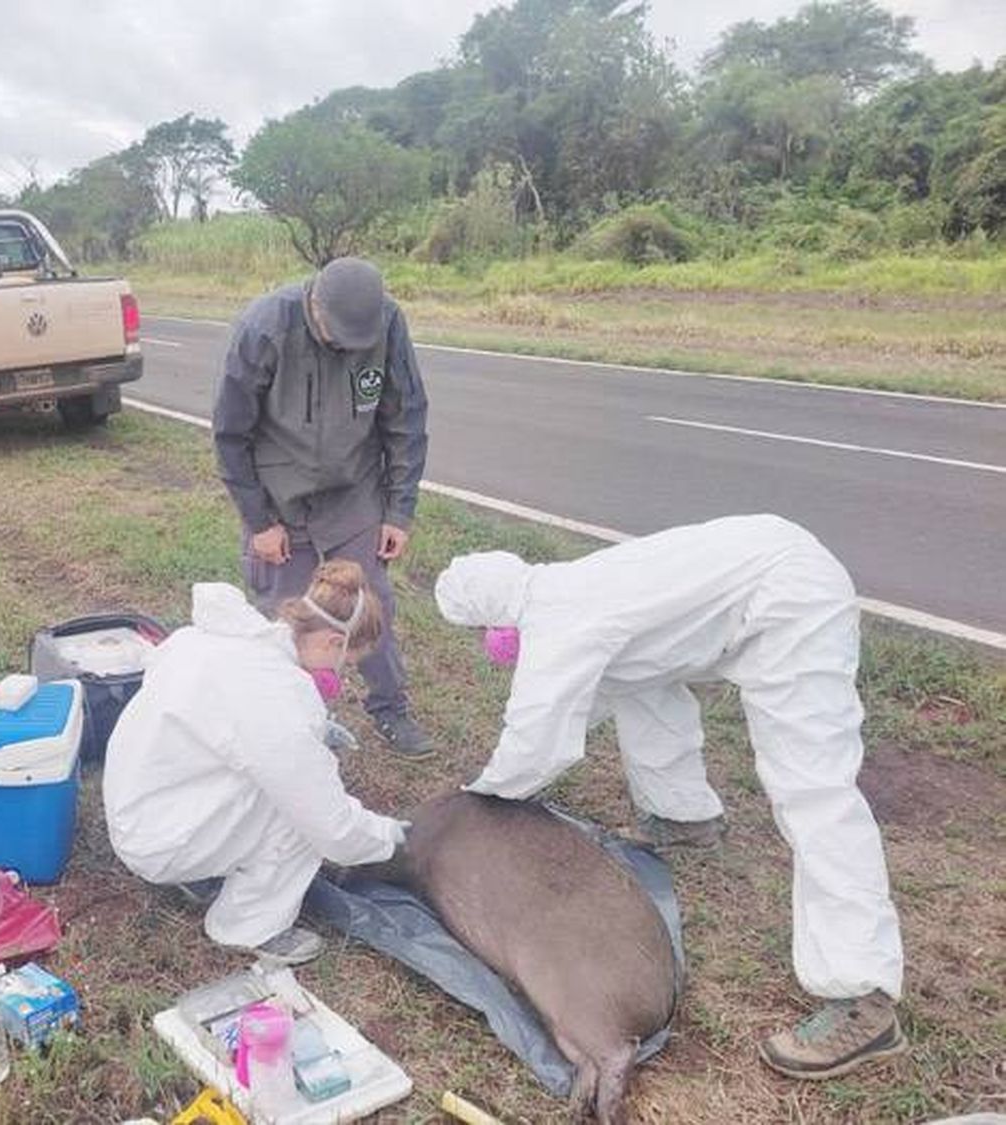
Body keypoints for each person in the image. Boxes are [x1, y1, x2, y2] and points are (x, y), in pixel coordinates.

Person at [433, 514, 906, 1081]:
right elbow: (593, 700)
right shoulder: (570, 591)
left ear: (495, 622)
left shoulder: (562, 619)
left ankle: (865, 995)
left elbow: (538, 743)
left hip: (787, 597)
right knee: (645, 684)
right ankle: (685, 818)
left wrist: (473, 800)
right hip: (755, 573)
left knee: (813, 786)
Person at [103, 560, 407, 965]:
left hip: (138, 805)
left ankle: (203, 867)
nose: (341, 675)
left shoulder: (210, 640)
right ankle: (247, 927)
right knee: (301, 819)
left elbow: (220, 721)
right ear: (334, 642)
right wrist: (391, 836)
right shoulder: (278, 694)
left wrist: (311, 736)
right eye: (347, 663)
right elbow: (332, 828)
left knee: (280, 785)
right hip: (161, 839)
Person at [213, 257, 431, 758]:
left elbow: (406, 417)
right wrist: (259, 522)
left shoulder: (387, 322)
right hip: (280, 499)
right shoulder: (264, 327)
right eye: (338, 337)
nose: (347, 349)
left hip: (354, 492)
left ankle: (390, 708)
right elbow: (230, 435)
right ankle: (286, 721)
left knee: (368, 603)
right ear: (315, 304)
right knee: (289, 618)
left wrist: (398, 510)